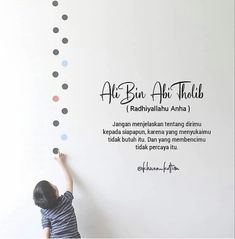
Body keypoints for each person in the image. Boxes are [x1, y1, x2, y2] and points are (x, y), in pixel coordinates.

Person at [33, 152, 81, 238]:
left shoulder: (45, 212)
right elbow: (69, 181)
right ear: (55, 192)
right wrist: (61, 162)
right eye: (52, 185)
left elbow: (46, 233)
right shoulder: (66, 200)